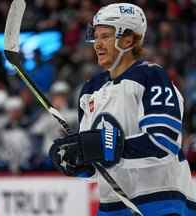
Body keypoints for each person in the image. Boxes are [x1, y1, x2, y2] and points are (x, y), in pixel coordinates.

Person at [49, 3, 196, 216]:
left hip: (162, 200)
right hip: (113, 205)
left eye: (105, 36)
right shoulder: (91, 89)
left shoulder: (151, 76)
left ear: (128, 40)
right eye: (95, 37)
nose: (97, 45)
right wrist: (76, 160)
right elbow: (98, 162)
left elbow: (163, 142)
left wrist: (107, 148)